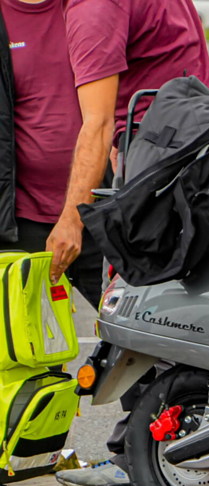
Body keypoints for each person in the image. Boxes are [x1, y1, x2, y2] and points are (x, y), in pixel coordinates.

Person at [54, 0, 209, 486]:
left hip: (160, 163)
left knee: (138, 311)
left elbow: (97, 122)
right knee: (176, 305)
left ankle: (139, 457)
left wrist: (72, 218)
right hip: (201, 148)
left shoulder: (93, 7)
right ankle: (146, 447)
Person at [0, 0, 102, 310]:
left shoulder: (88, 10)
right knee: (35, 350)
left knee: (137, 338)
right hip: (25, 217)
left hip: (100, 207)